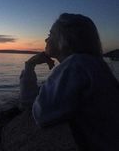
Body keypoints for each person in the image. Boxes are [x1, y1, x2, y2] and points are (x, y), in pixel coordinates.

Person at [19, 13, 119, 151]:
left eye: (51, 34)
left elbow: (39, 113)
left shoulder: (76, 65)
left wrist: (29, 65)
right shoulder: (93, 64)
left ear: (64, 39)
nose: (46, 39)